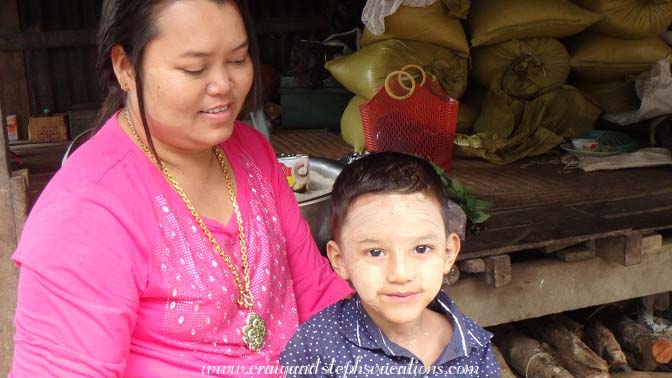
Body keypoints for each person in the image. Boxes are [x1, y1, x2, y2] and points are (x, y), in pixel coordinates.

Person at [10, 0, 351, 376]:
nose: (224, 85)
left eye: (238, 60)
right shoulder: (86, 211)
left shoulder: (252, 151)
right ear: (125, 67)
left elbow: (314, 291)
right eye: (194, 68)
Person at [280, 152, 500, 377]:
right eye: (375, 252)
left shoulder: (473, 347)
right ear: (340, 260)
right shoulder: (317, 346)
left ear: (448, 253)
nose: (400, 274)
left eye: (421, 249)